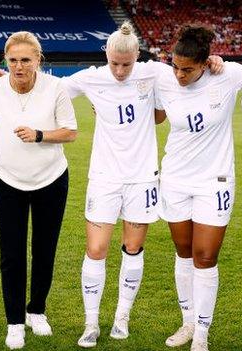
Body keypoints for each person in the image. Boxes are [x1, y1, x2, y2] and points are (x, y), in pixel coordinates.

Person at [155, 25, 242, 351]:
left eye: (187, 69)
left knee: (205, 257)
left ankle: (202, 336)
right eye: (175, 66)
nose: (179, 74)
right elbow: (152, 113)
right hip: (175, 178)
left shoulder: (228, 74)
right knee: (184, 252)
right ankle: (188, 322)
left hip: (215, 181)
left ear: (206, 63)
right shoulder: (164, 80)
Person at [63, 22, 164, 348]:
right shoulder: (91, 77)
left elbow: (188, 76)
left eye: (127, 64)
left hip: (142, 176)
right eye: (115, 63)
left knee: (132, 248)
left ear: (137, 56)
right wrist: (3, 79)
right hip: (104, 177)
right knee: (96, 249)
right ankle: (91, 323)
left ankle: (122, 317)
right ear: (105, 55)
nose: (120, 70)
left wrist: (215, 62)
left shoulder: (152, 74)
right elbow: (50, 87)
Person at [0, 31, 77, 350]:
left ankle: (37, 311)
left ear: (38, 60)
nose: (19, 67)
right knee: (12, 255)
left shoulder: (55, 87)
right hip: (8, 180)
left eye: (26, 60)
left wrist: (39, 134)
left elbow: (70, 132)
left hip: (51, 179)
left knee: (44, 250)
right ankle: (15, 322)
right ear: (6, 60)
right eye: (13, 60)